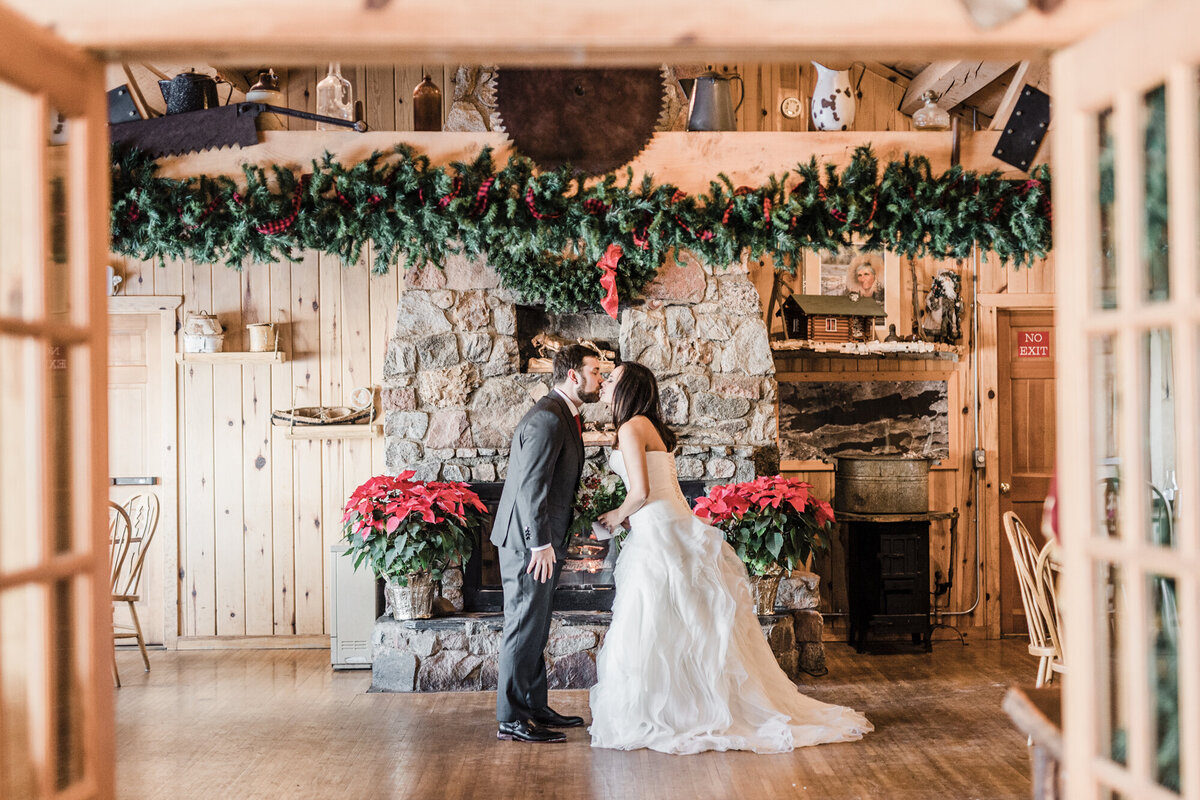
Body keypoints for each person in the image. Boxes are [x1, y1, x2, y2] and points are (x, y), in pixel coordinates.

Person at [589, 361, 873, 754]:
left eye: (613, 378)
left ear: (628, 389)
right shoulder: (647, 425)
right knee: (686, 624)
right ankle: (691, 704)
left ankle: (680, 711)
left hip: (659, 533)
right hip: (668, 526)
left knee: (659, 621)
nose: (605, 381)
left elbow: (639, 493)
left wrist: (615, 518)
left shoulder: (631, 426)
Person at [492, 344, 603, 744]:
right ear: (572, 375)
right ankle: (512, 718)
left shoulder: (562, 415)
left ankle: (533, 705)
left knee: (535, 625)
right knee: (523, 625)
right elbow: (530, 489)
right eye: (595, 371)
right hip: (528, 544)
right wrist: (539, 544)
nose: (600, 378)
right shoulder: (548, 419)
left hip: (538, 542)